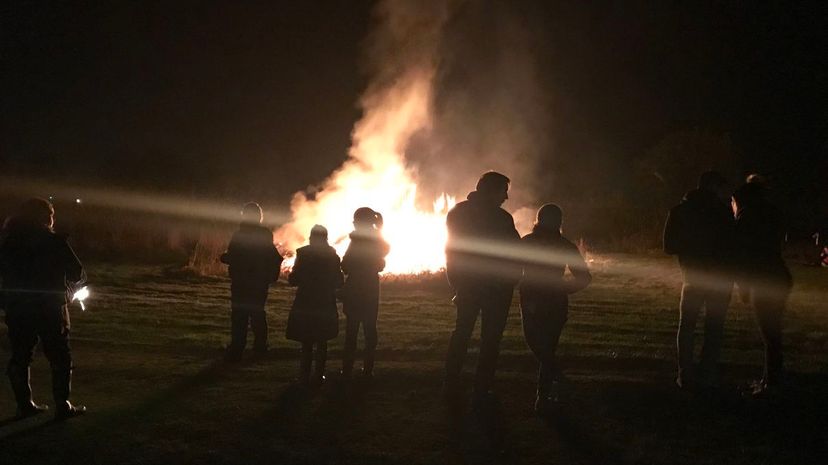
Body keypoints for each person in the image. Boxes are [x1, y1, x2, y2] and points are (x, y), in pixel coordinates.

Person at [0, 198, 86, 420]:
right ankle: (62, 404)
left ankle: (24, 404)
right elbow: (77, 272)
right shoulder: (54, 242)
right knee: (59, 355)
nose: (52, 219)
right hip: (50, 307)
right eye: (51, 215)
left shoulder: (9, 243)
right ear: (44, 217)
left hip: (18, 307)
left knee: (21, 355)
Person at [444, 171, 521, 406]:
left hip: (469, 285)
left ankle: (450, 382)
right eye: (503, 191)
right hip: (496, 288)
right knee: (490, 339)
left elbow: (452, 250)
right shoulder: (502, 219)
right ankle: (482, 387)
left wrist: (456, 283)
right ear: (490, 190)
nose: (506, 197)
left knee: (462, 333)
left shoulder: (457, 213)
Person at [663, 171, 735, 390]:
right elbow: (732, 246)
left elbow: (668, 246)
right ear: (713, 187)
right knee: (714, 327)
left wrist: (690, 249)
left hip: (693, 276)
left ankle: (685, 374)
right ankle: (707, 373)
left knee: (687, 326)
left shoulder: (679, 211)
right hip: (720, 278)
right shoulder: (722, 212)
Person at [519, 204, 591, 414]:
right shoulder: (564, 245)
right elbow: (584, 277)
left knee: (537, 345)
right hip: (552, 301)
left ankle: (546, 394)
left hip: (534, 299)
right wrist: (564, 290)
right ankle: (548, 390)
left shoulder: (528, 242)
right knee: (545, 347)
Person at [732, 178, 792, 397]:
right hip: (778, 276)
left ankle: (772, 384)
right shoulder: (772, 213)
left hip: (763, 280)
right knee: (772, 333)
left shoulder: (747, 218)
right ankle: (769, 379)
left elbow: (743, 255)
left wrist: (744, 287)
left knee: (770, 335)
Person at [220, 202, 283, 361]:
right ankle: (260, 347)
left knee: (240, 315)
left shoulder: (240, 235)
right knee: (257, 314)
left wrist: (227, 258)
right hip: (258, 282)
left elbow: (234, 255)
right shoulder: (264, 235)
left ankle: (238, 348)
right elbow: (273, 257)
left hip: (242, 281)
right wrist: (270, 276)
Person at [286, 225, 343, 386]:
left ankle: (304, 375)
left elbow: (294, 279)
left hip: (306, 300)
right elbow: (339, 281)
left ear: (311, 237)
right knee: (322, 340)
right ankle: (319, 375)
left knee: (306, 341)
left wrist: (292, 277)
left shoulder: (303, 254)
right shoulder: (332, 256)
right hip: (325, 301)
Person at [340, 207, 389, 379]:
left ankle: (347, 369)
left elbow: (346, 265)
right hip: (370, 288)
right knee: (370, 329)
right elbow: (383, 254)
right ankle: (368, 369)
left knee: (352, 330)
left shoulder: (357, 241)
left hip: (355, 287)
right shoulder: (377, 240)